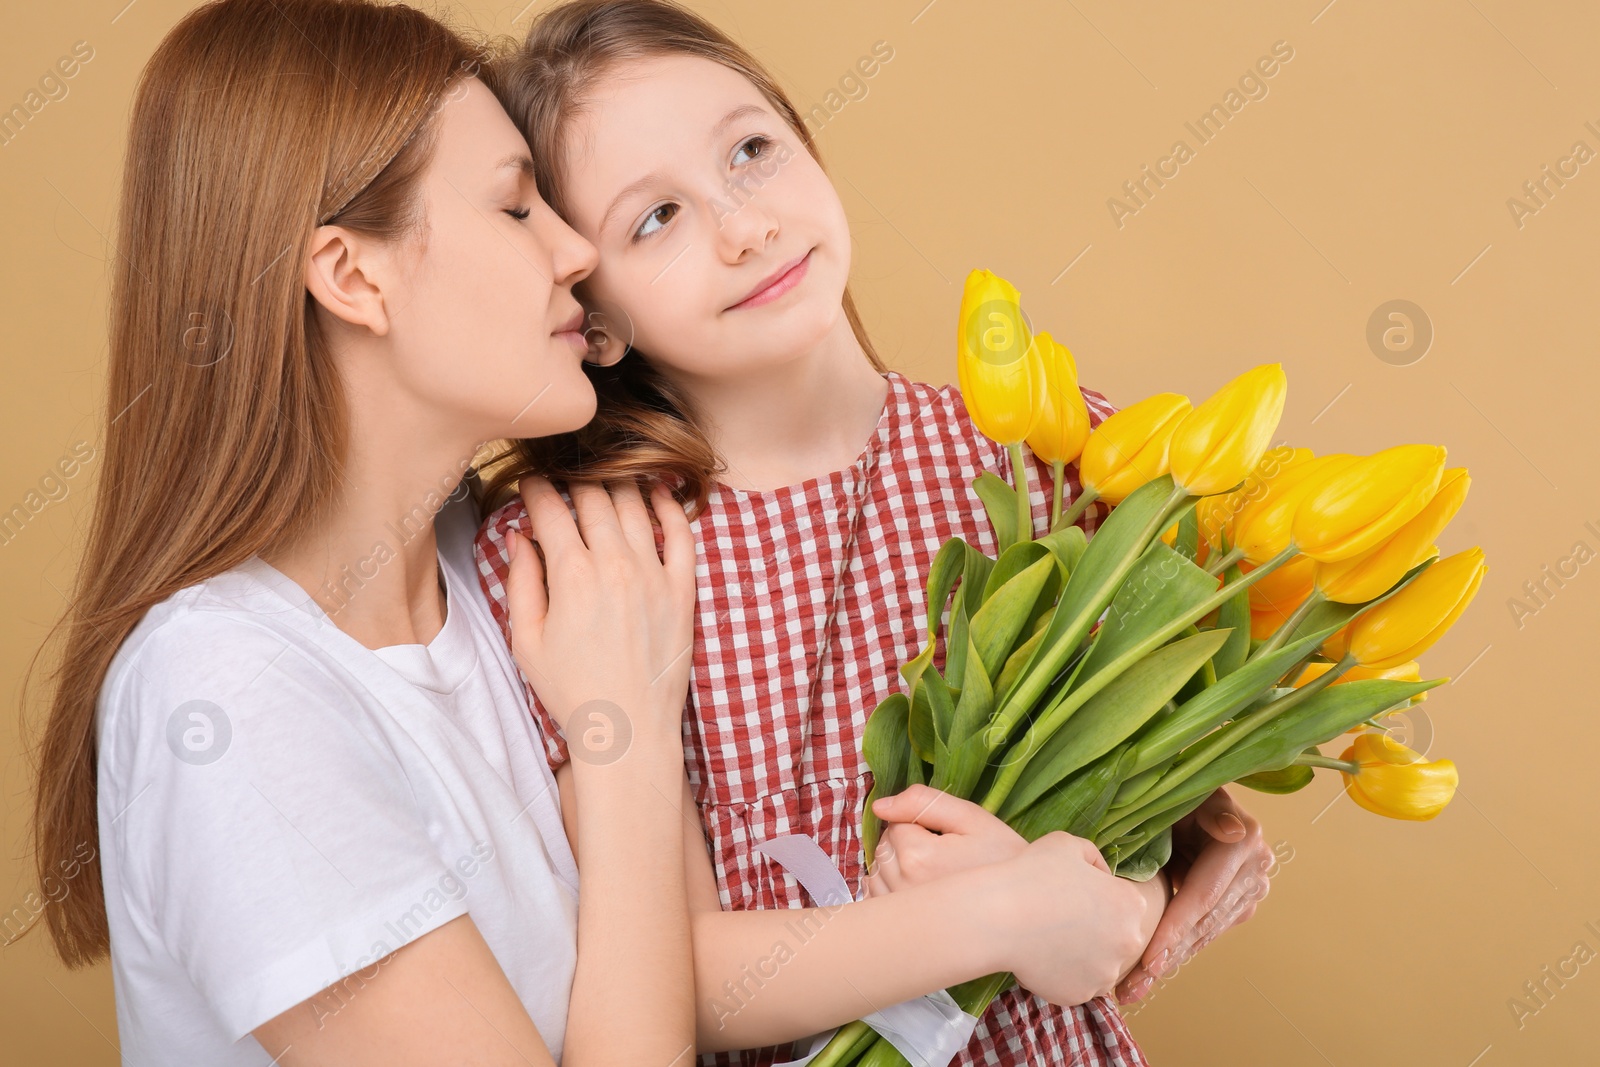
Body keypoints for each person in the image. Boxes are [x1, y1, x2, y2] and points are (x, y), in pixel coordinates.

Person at [473, 3, 1275, 1065]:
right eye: (654, 218)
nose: (743, 226)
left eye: (750, 151)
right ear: (596, 312)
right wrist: (994, 917)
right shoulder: (601, 552)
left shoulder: (1044, 447)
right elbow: (664, 974)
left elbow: (1140, 806)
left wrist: (1128, 891)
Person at [25, 1, 703, 1063]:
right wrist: (627, 743)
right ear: (351, 276)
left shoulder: (494, 569)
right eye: (517, 208)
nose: (577, 251)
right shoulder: (223, 697)